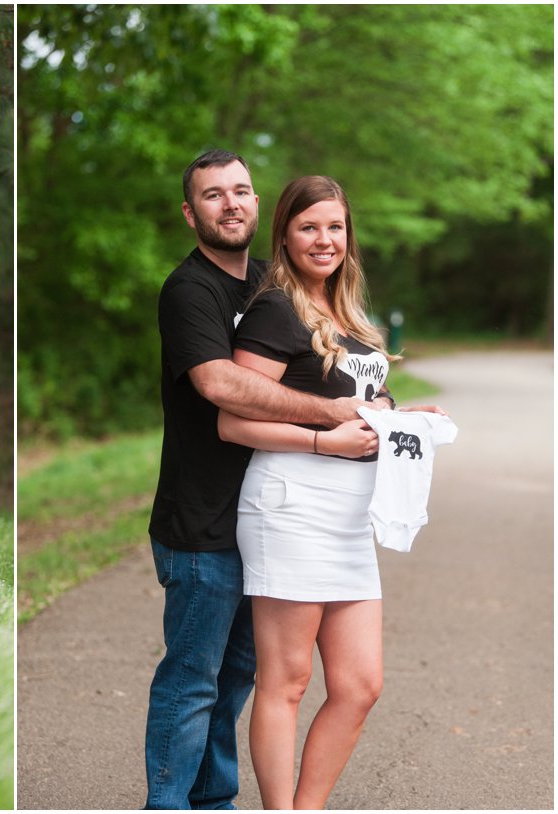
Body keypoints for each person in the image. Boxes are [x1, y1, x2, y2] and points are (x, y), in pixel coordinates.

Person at [145, 151, 395, 810]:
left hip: (262, 511)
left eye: (241, 191)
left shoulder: (266, 283)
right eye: (213, 194)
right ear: (190, 210)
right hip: (202, 516)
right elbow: (221, 387)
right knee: (195, 680)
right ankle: (171, 805)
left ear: (259, 205)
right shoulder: (190, 289)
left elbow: (333, 372)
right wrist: (330, 421)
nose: (230, 203)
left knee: (238, 680)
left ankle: (216, 801)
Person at [218, 175, 443, 809]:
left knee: (359, 684)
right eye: (308, 227)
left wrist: (403, 417)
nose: (324, 239)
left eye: (335, 227)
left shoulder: (350, 315)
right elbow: (233, 420)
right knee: (286, 682)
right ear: (285, 236)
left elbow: (353, 405)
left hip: (350, 518)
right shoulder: (273, 310)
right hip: (291, 506)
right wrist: (325, 441)